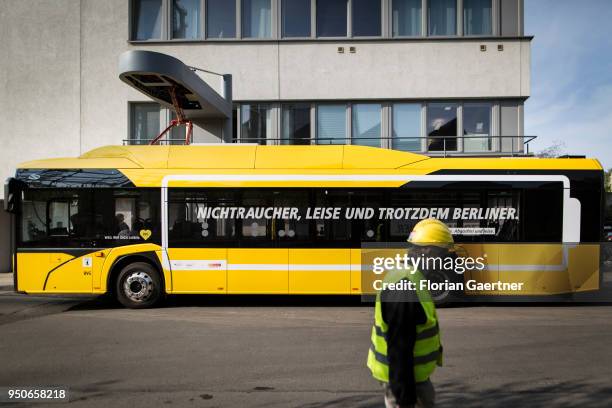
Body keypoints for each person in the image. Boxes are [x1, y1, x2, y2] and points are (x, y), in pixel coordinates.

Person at [367, 218, 454, 408]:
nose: (444, 260)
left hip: (412, 377)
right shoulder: (405, 286)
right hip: (404, 381)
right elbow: (398, 347)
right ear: (427, 251)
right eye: (443, 254)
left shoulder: (411, 276)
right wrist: (404, 398)